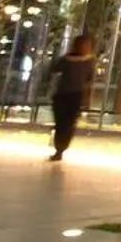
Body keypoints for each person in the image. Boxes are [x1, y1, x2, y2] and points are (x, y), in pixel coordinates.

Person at [48, 34, 97, 162]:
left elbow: (89, 81)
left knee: (68, 124)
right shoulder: (67, 59)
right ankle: (59, 148)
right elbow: (53, 69)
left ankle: (61, 148)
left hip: (75, 96)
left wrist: (87, 98)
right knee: (61, 123)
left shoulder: (88, 61)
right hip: (62, 95)